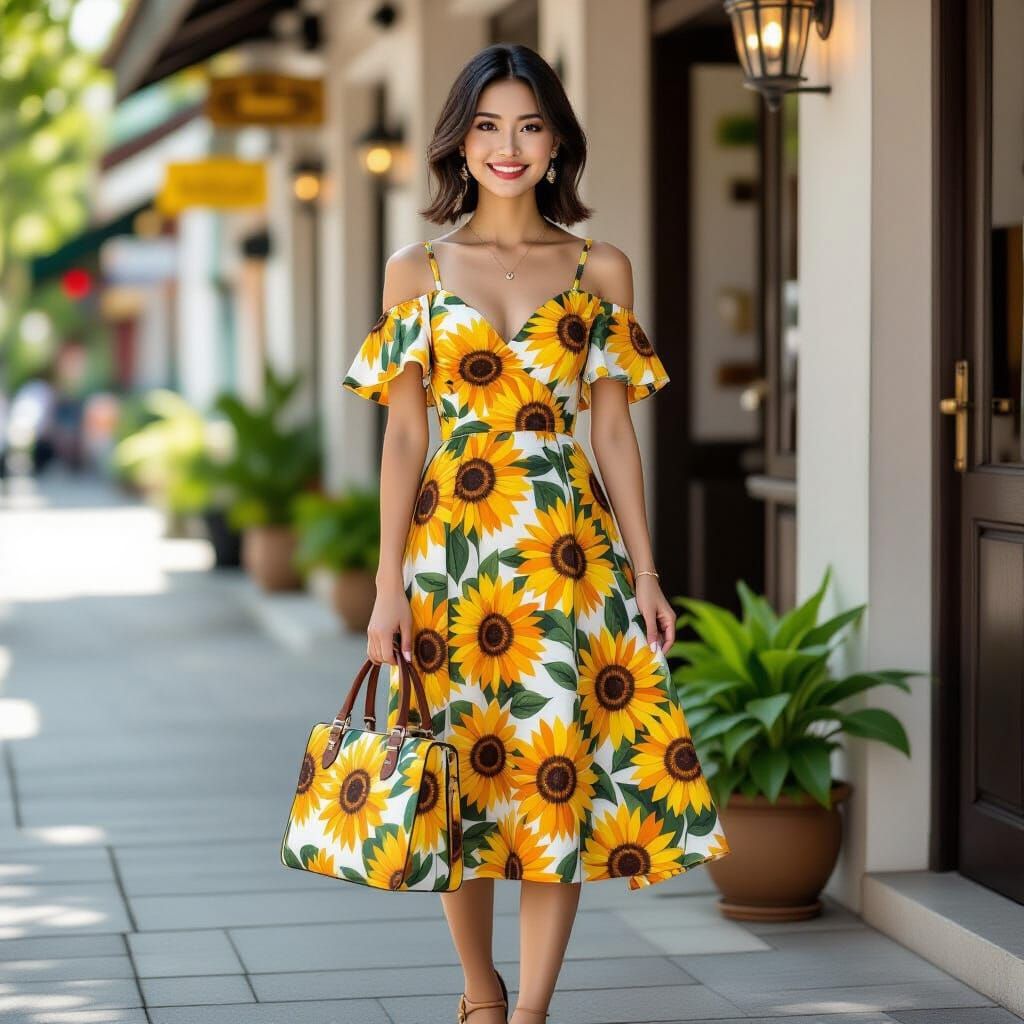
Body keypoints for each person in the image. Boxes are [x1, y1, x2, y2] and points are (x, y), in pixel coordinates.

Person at [341, 43, 731, 1024]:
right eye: (486, 126)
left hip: (565, 559)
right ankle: (479, 992)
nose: (507, 147)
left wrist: (644, 569)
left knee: (554, 778)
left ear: (557, 142)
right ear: (458, 143)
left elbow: (613, 429)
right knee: (454, 780)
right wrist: (387, 584)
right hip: (447, 562)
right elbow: (401, 435)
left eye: (528, 126)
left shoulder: (600, 266)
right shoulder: (412, 269)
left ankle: (531, 1011)